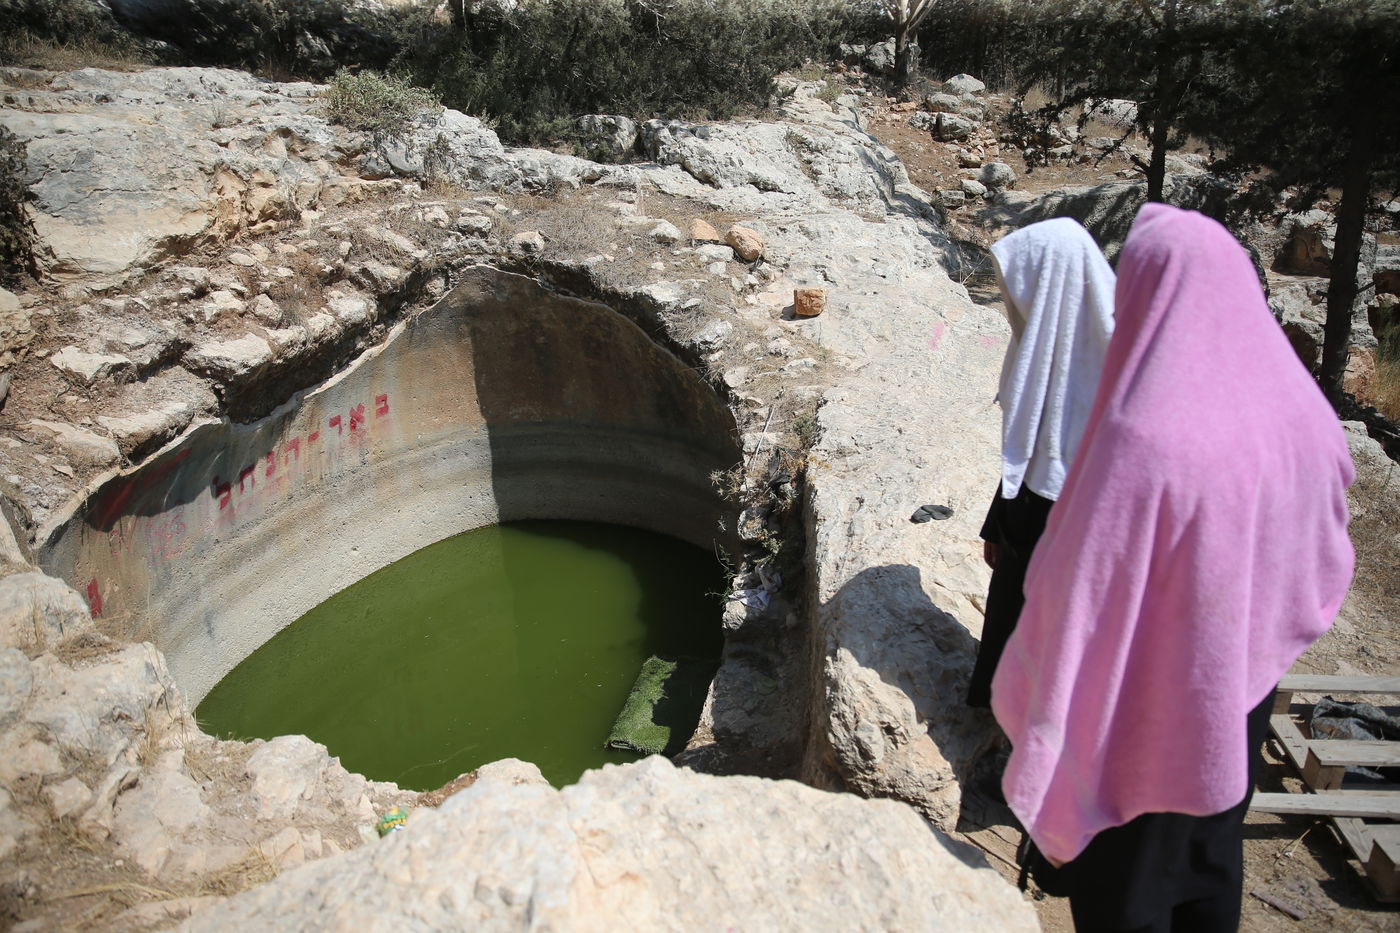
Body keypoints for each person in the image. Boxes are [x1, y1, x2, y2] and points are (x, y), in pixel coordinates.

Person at [991, 203, 1355, 932]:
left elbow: (1075, 591)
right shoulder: (1301, 411)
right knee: (1210, 856)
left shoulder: (1147, 436)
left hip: (1143, 712)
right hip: (1238, 693)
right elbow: (1320, 551)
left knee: (1132, 886)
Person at [967, 217, 1116, 708]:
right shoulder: (1042, 347)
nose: (1011, 300)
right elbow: (1025, 447)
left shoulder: (1115, 365)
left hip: (1070, 533)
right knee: (1012, 628)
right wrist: (998, 524)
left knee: (1045, 650)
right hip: (1027, 523)